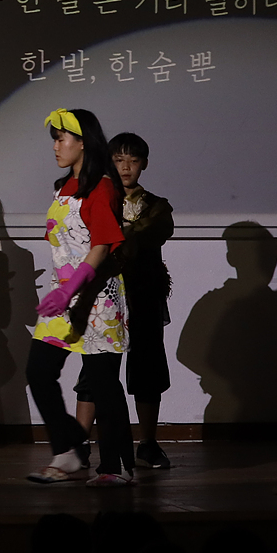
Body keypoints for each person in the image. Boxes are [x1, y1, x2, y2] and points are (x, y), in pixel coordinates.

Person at [25, 107, 135, 486]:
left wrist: (71, 291)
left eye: (62, 139)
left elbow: (101, 246)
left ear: (83, 142)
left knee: (102, 386)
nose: (56, 146)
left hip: (97, 299)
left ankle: (116, 467)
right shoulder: (62, 188)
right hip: (63, 298)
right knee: (38, 371)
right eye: (54, 139)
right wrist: (63, 292)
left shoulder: (102, 187)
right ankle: (70, 448)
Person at [73, 131, 175, 469]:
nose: (126, 167)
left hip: (142, 293)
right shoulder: (96, 198)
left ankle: (147, 443)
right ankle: (79, 443)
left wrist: (117, 237)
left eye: (133, 160)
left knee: (147, 366)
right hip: (104, 295)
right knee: (95, 367)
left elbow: (150, 233)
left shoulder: (157, 206)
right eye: (119, 160)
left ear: (144, 163)